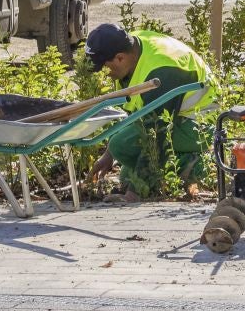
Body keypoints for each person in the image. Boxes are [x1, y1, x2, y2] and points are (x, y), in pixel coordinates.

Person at [84, 23, 215, 199]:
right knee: (125, 172)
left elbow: (156, 133)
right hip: (175, 119)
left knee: (121, 145)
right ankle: (169, 169)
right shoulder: (131, 50)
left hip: (200, 126)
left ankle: (198, 165)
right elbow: (135, 115)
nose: (103, 74)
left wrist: (133, 194)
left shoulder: (162, 72)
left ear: (120, 58)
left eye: (103, 67)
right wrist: (109, 156)